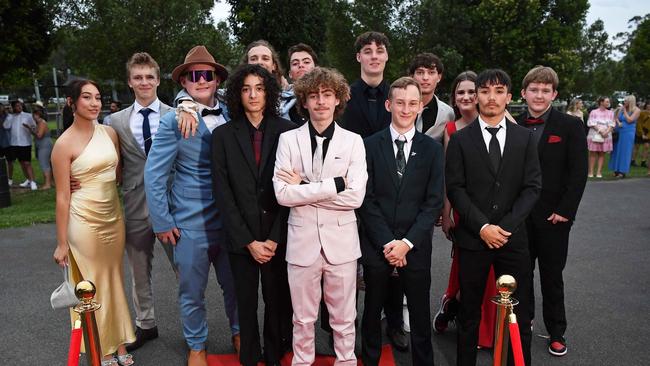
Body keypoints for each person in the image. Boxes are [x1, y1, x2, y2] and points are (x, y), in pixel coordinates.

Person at [144, 45, 239, 366]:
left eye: (207, 74)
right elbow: (154, 174)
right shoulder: (173, 121)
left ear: (217, 80)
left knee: (236, 286)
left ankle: (241, 334)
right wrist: (161, 221)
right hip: (189, 223)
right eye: (193, 75)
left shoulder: (233, 111)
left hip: (232, 221)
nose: (201, 80)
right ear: (184, 82)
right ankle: (196, 344)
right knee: (191, 292)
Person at [445, 69, 541, 366]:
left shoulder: (525, 138)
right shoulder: (460, 139)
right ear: (476, 97)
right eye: (484, 91)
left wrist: (505, 227)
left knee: (519, 313)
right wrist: (483, 226)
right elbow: (456, 188)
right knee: (469, 313)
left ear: (509, 97)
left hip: (513, 240)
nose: (491, 97)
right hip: (474, 239)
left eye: (499, 91)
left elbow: (532, 187)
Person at [273, 67, 367, 366]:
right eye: (313, 96)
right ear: (304, 101)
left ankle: (346, 361)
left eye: (327, 95)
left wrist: (304, 188)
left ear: (338, 99)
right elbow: (282, 195)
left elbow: (355, 197)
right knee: (302, 318)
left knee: (344, 317)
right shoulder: (288, 140)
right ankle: (302, 361)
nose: (321, 102)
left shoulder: (353, 142)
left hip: (342, 244)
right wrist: (330, 187)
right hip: (302, 244)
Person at [211, 64, 295, 366]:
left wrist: (273, 238)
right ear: (237, 93)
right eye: (246, 89)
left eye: (259, 88)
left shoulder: (287, 132)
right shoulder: (222, 136)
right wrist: (249, 241)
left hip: (277, 235)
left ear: (269, 92)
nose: (253, 94)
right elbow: (223, 192)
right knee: (245, 304)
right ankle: (249, 356)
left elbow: (291, 189)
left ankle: (275, 355)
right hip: (240, 239)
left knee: (277, 302)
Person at [359, 77, 443, 366]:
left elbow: (433, 203)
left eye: (412, 103)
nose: (405, 109)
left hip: (415, 246)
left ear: (420, 106)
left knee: (419, 314)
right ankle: (369, 360)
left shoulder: (432, 149)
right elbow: (366, 200)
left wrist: (406, 244)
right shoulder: (368, 146)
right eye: (399, 103)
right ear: (388, 104)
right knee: (371, 311)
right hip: (377, 245)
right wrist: (387, 242)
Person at [51, 79, 135, 366]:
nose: (95, 103)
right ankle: (104, 348)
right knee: (92, 283)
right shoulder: (63, 145)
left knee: (114, 279)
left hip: (114, 217)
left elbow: (117, 173)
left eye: (98, 97)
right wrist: (62, 243)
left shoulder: (110, 133)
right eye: (86, 97)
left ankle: (119, 341)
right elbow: (62, 197)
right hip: (82, 221)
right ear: (72, 103)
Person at [340, 30, 408, 350]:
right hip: (350, 193)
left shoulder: (397, 96)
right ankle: (346, 326)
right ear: (359, 57)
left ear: (386, 57)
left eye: (379, 50)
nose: (374, 56)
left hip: (390, 192)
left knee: (392, 260)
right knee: (349, 265)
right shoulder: (344, 96)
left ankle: (394, 323)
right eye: (367, 51)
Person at [516, 66, 588, 356]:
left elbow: (578, 172)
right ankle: (525, 321)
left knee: (551, 275)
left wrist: (565, 211)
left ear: (554, 94)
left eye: (546, 90)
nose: (539, 95)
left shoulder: (569, 126)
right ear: (523, 93)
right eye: (534, 89)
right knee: (521, 274)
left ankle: (557, 330)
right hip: (519, 216)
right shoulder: (514, 124)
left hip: (554, 217)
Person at [109, 52, 174, 352]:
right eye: (138, 77)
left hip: (172, 205)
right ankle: (146, 324)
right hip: (134, 205)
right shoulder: (115, 121)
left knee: (184, 268)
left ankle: (194, 325)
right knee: (138, 271)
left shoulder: (176, 115)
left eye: (149, 76)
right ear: (129, 82)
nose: (144, 82)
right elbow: (106, 159)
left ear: (158, 80)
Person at [435, 71, 497, 349]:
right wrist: (446, 213)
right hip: (464, 211)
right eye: (460, 93)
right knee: (466, 269)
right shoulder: (452, 130)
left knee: (494, 274)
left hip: (496, 212)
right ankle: (454, 307)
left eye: (472, 91)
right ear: (454, 98)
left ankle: (489, 328)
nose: (467, 97)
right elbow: (451, 179)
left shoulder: (502, 120)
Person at [408, 53, 455, 143]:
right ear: (411, 76)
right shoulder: (398, 108)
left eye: (431, 72)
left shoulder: (448, 114)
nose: (425, 78)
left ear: (439, 77)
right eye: (420, 72)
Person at [3, 100, 37, 189]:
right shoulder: (11, 117)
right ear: (13, 107)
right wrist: (9, 116)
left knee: (27, 163)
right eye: (17, 106)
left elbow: (34, 127)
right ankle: (28, 180)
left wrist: (29, 128)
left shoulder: (28, 116)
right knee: (21, 163)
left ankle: (33, 182)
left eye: (20, 105)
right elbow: (6, 126)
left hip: (25, 143)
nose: (19, 107)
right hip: (14, 143)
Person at [284, 43, 318, 125]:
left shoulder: (332, 97)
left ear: (317, 69)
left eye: (306, 62)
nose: (301, 65)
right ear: (290, 74)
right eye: (295, 63)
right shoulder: (279, 101)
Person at [609, 95, 640, 178]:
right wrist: (618, 122)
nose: (624, 102)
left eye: (626, 101)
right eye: (624, 101)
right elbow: (615, 117)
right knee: (616, 150)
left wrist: (625, 112)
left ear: (631, 102)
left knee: (625, 151)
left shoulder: (636, 110)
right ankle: (615, 170)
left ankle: (622, 171)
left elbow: (630, 120)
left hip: (628, 132)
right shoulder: (621, 109)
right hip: (619, 131)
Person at [586, 97, 615, 178]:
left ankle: (599, 172)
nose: (608, 103)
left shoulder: (610, 113)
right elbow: (591, 122)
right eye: (607, 101)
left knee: (602, 154)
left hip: (606, 136)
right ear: (601, 102)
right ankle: (590, 172)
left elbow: (612, 124)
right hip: (595, 134)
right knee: (592, 154)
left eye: (609, 101)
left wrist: (606, 132)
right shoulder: (594, 112)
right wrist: (600, 131)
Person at [29, 108, 53, 189]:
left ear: (37, 115)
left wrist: (30, 130)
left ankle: (47, 184)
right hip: (43, 145)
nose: (33, 117)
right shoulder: (38, 123)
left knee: (44, 163)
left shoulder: (42, 122)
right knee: (48, 163)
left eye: (34, 115)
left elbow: (39, 135)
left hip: (44, 145)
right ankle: (51, 182)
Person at [633, 102, 650, 171]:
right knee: (637, 147)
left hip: (648, 133)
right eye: (648, 105)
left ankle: (643, 161)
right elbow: (639, 123)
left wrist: (648, 135)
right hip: (640, 132)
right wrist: (642, 133)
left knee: (646, 146)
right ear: (646, 106)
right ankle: (633, 160)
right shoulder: (642, 113)